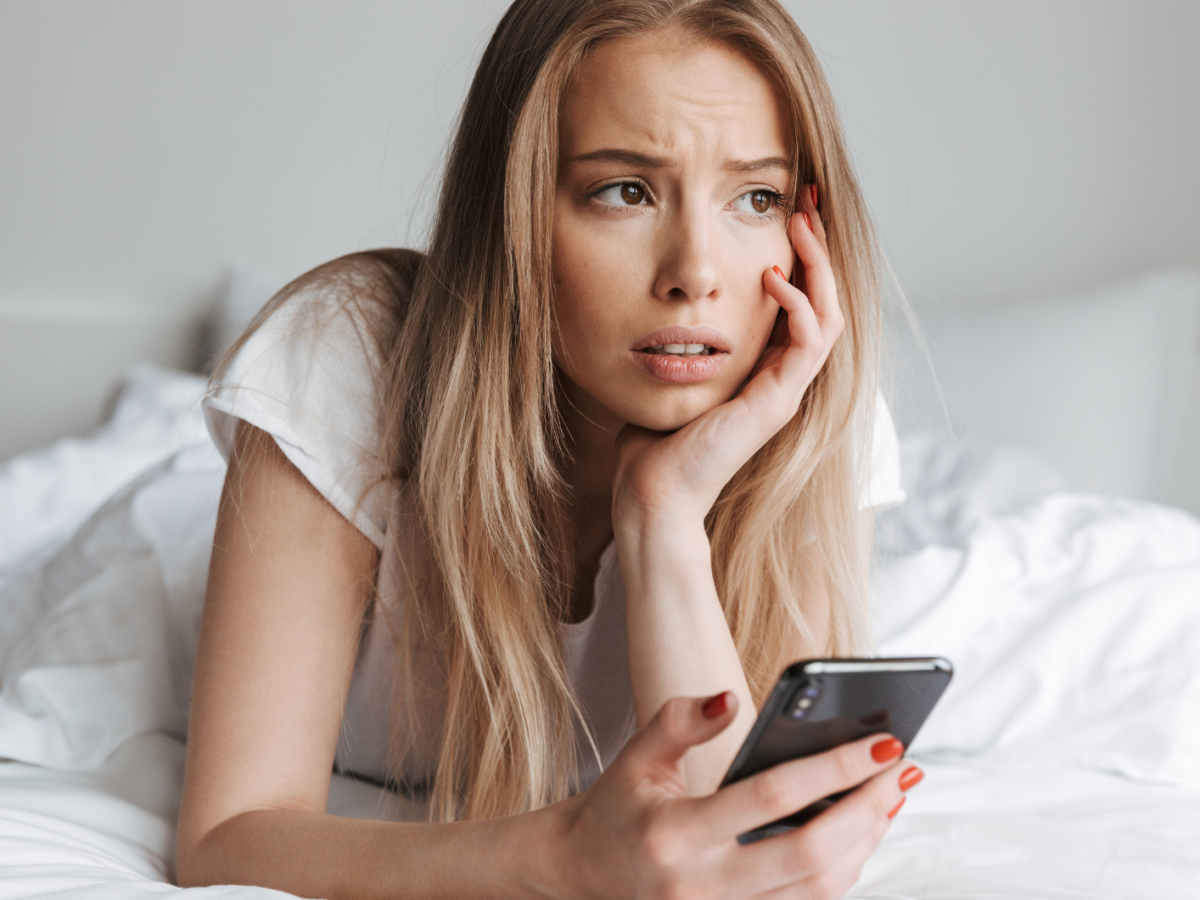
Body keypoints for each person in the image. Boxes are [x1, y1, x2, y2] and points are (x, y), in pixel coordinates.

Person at [175, 0, 917, 896]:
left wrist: (664, 517)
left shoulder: (814, 409)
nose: (696, 270)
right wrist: (557, 862)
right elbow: (225, 841)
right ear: (516, 216)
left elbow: (734, 855)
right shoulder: (343, 360)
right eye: (625, 191)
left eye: (755, 198)